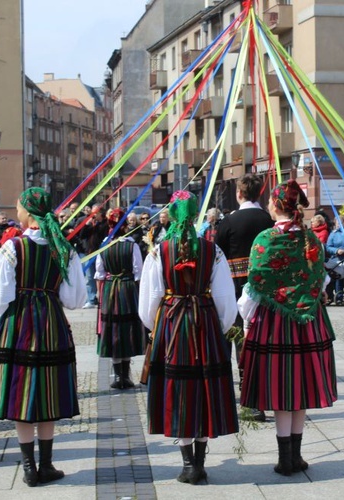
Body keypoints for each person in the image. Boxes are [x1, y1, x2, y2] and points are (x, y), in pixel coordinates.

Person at [0, 187, 86, 487]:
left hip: (19, 323)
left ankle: (29, 466)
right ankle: (47, 464)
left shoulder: (12, 248)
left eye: (18, 207)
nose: (17, 212)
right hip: (50, 321)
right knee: (48, 391)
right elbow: (75, 298)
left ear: (27, 212)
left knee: (21, 391)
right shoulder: (63, 248)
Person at [238, 180, 338, 477]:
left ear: (275, 204)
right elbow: (323, 280)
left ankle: (285, 458)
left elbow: (253, 285)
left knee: (282, 388)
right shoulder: (312, 240)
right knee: (301, 386)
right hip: (308, 321)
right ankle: (296, 455)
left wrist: (246, 320)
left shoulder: (265, 239)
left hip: (273, 322)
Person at [139, 190, 238, 485]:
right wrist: (217, 328)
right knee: (204, 389)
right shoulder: (213, 250)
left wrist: (156, 327)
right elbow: (224, 299)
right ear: (195, 215)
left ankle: (187, 464)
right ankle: (200, 460)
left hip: (172, 323)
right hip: (204, 320)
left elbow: (150, 299)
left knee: (178, 388)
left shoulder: (159, 250)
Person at [215, 173, 274, 422]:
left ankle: (230, 398)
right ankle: (256, 400)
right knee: (258, 344)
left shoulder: (228, 222)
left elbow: (217, 256)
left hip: (234, 288)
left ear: (239, 193)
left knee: (233, 340)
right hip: (265, 291)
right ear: (260, 193)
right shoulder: (268, 220)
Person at [96, 208, 144, 390]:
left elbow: (99, 273)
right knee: (126, 328)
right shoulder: (132, 246)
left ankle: (118, 375)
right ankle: (125, 374)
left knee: (113, 328)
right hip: (127, 289)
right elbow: (138, 272)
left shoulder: (104, 245)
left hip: (109, 289)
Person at [80, 204, 109, 308]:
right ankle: (91, 299)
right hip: (89, 253)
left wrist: (97, 225)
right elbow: (82, 235)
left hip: (101, 253)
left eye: (95, 212)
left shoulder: (105, 224)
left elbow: (102, 234)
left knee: (102, 276)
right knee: (89, 277)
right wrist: (87, 225)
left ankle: (103, 298)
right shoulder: (90, 223)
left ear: (100, 213)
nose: (93, 214)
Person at [326, 214, 344, 305]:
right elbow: (328, 247)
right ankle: (339, 297)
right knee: (339, 277)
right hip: (337, 258)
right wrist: (337, 250)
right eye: (337, 222)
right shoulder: (333, 234)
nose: (338, 224)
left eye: (340, 222)